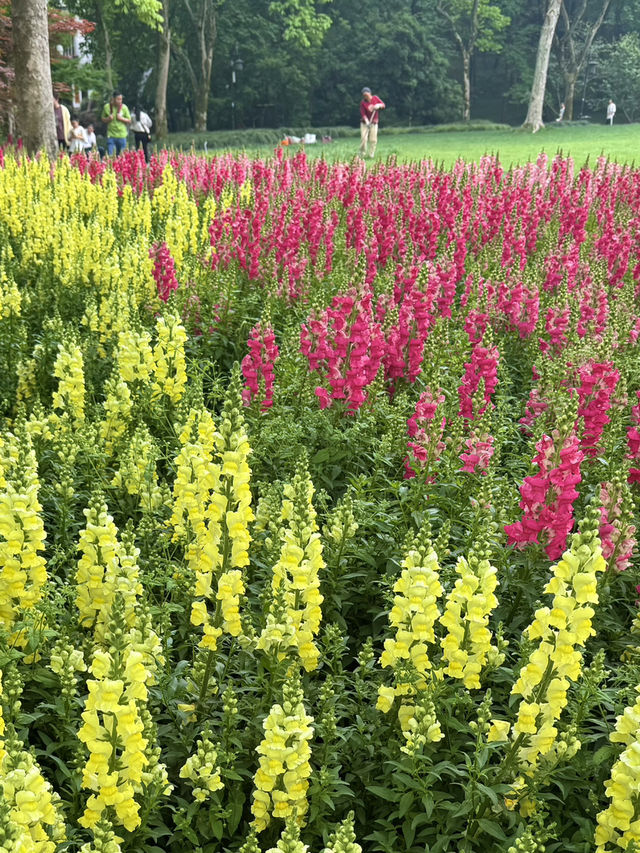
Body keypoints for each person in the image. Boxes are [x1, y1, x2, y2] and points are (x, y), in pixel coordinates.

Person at [101, 91, 131, 156]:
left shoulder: (124, 107)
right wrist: (108, 119)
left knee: (122, 157)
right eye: (118, 99)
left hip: (122, 135)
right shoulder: (106, 107)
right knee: (111, 156)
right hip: (111, 135)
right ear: (113, 99)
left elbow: (129, 120)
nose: (120, 101)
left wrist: (121, 118)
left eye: (121, 99)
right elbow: (103, 119)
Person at [359, 87, 385, 158]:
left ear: (370, 93)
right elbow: (363, 114)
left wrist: (378, 105)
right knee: (364, 139)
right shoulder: (363, 103)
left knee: (373, 139)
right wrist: (367, 122)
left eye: (366, 95)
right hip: (365, 123)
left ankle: (371, 154)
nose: (365, 96)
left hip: (374, 123)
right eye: (364, 95)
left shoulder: (375, 98)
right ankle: (362, 153)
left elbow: (383, 105)